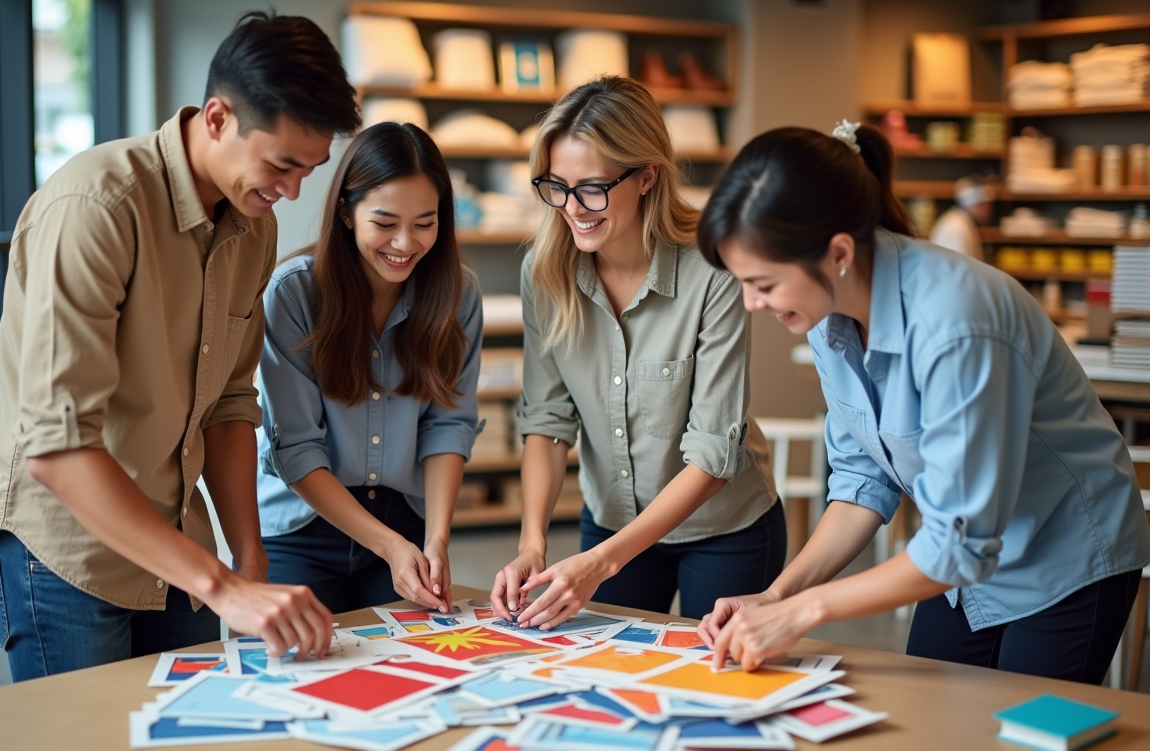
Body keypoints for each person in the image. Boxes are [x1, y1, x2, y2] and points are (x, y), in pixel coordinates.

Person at [0, 11, 361, 681]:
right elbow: (57, 449)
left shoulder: (253, 223)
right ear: (216, 118)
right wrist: (225, 586)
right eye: (281, 165)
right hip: (64, 544)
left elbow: (230, 402)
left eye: (310, 171)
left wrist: (249, 558)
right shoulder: (96, 207)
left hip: (175, 532)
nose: (292, 192)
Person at [694, 121, 1150, 684]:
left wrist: (803, 612)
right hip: (956, 559)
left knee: (1018, 735)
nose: (750, 303)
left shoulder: (957, 318)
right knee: (934, 720)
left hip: (1063, 556)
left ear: (837, 252)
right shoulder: (822, 310)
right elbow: (864, 480)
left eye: (763, 283)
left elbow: (961, 542)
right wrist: (776, 594)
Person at [491, 77, 785, 629]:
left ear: (648, 176)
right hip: (611, 521)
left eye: (593, 188)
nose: (573, 208)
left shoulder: (713, 265)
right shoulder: (545, 272)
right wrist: (533, 543)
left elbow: (713, 453)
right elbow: (547, 421)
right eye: (557, 186)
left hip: (725, 530)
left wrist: (601, 564)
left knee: (721, 685)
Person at [255, 121, 482, 615]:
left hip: (406, 522)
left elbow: (448, 425)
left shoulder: (458, 294)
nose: (405, 243)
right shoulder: (292, 293)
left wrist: (437, 540)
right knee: (299, 679)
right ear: (345, 211)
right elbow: (295, 448)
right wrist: (389, 545)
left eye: (425, 223)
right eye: (385, 223)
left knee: (413, 673)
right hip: (302, 527)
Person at [927, 174, 997, 260]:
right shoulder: (956, 227)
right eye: (987, 205)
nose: (990, 210)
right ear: (977, 204)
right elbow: (960, 270)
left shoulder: (962, 221)